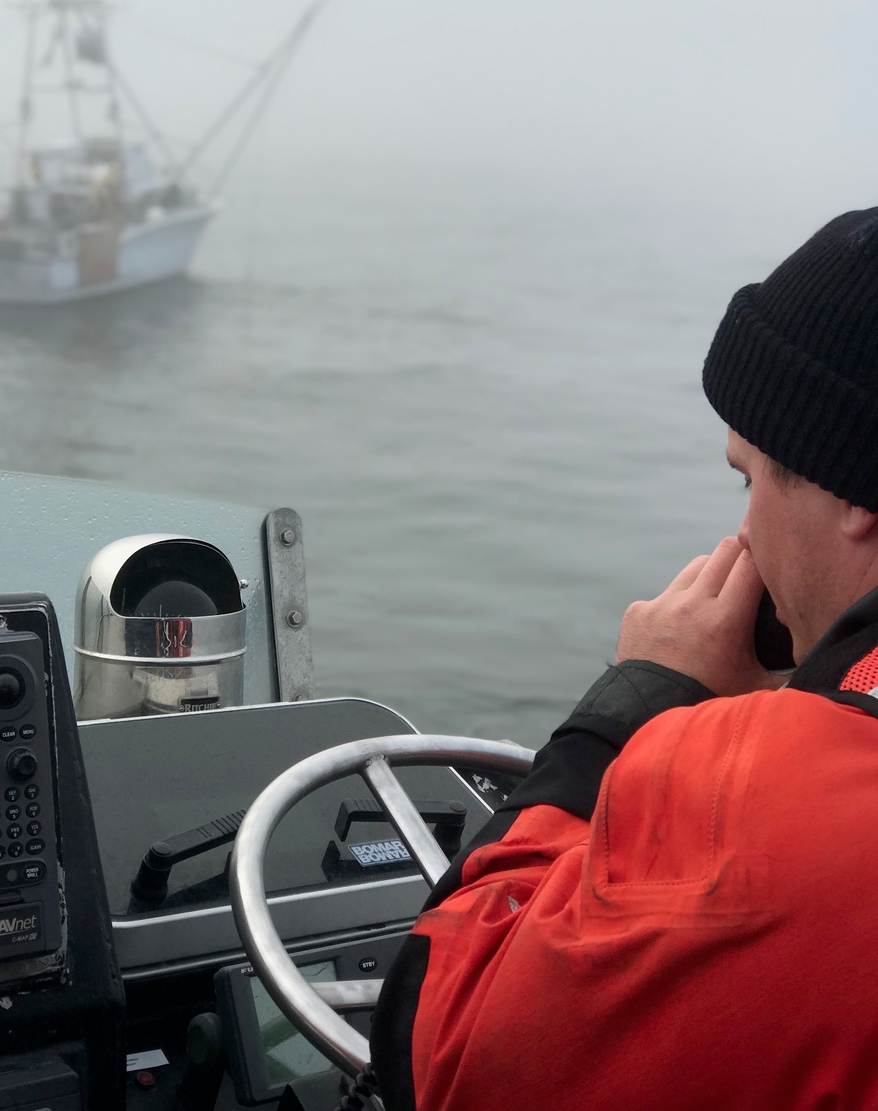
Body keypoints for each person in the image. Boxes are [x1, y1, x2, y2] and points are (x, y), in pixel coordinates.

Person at [370, 205, 878, 1110]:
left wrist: (634, 710)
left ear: (853, 494)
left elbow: (440, 1053)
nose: (744, 534)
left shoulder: (751, 797)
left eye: (747, 476)